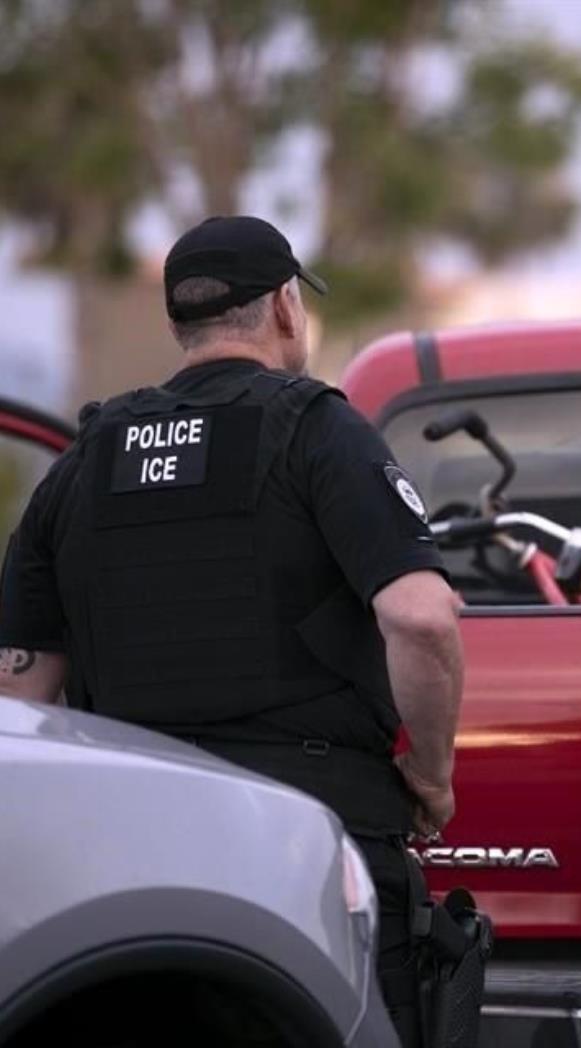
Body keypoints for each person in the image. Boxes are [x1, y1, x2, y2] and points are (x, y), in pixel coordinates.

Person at [0, 215, 464, 1045]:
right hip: (312, 837)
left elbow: (21, 695)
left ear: (181, 323)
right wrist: (432, 775)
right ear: (287, 306)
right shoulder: (318, 429)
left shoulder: (87, 458)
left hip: (132, 846)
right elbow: (421, 618)